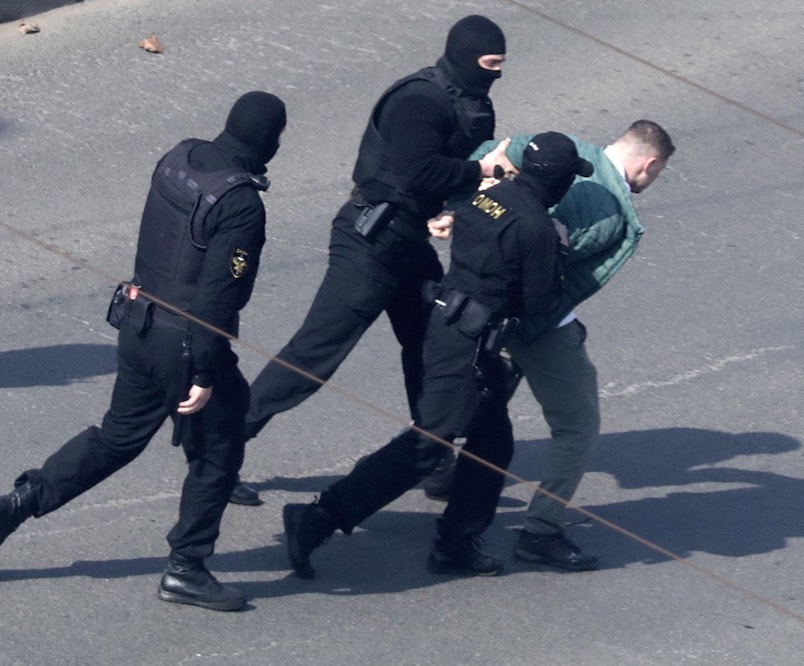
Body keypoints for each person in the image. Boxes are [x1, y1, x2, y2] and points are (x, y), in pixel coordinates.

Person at [0, 91, 288, 611]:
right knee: (220, 444)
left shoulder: (180, 156)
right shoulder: (241, 203)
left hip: (137, 322)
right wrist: (205, 371)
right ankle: (186, 567)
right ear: (269, 142)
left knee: (117, 438)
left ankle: (18, 503)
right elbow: (217, 298)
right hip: (185, 342)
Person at [229, 15, 516, 506]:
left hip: (409, 242)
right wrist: (480, 170)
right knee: (314, 356)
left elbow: (431, 180)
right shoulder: (420, 101)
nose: (495, 75)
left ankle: (432, 454)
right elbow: (416, 167)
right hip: (370, 243)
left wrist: (445, 211)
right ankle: (223, 448)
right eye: (489, 65)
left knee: (433, 348)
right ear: (467, 57)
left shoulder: (470, 104)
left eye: (500, 67)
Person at [281, 132, 593, 579]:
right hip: (470, 341)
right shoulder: (538, 230)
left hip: (447, 322)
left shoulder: (494, 196)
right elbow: (541, 301)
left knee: (492, 443)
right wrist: (559, 254)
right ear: (558, 183)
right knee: (428, 445)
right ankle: (318, 518)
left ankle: (457, 542)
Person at [425, 120, 675, 570]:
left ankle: (432, 468)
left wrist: (457, 209)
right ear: (650, 163)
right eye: (655, 175)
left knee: (475, 408)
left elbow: (491, 154)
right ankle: (541, 531)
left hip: (478, 306)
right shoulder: (612, 212)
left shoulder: (562, 148)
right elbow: (544, 278)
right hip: (537, 325)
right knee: (576, 425)